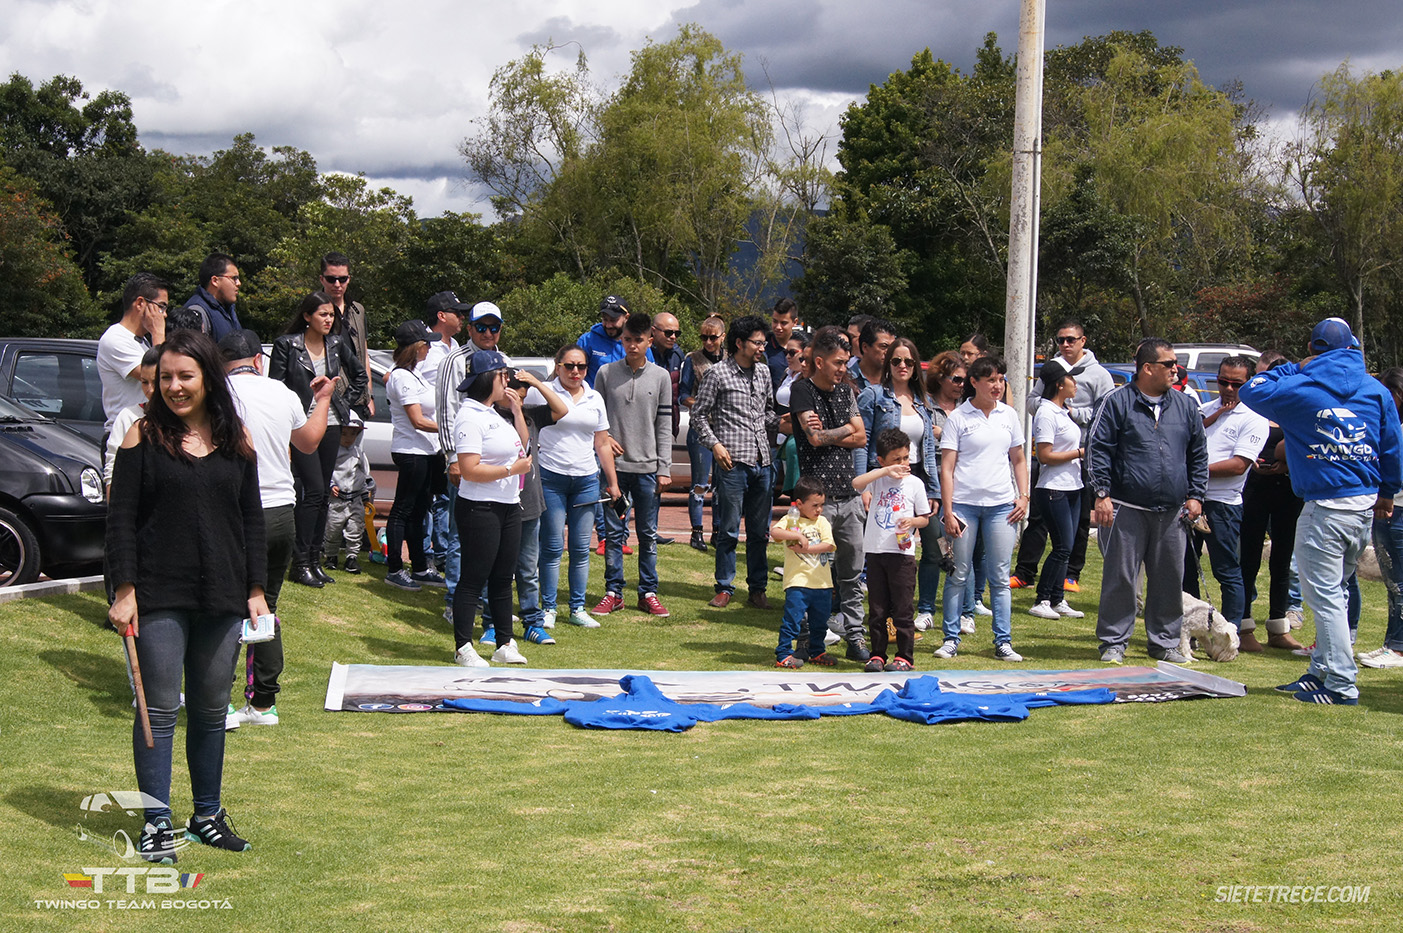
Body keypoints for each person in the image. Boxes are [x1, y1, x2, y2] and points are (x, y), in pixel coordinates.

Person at [106, 329, 266, 860]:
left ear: (208, 379)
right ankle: (156, 821)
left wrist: (257, 590)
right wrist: (124, 589)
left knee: (211, 707)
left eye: (185, 376)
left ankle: (207, 815)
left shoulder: (236, 439)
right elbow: (121, 520)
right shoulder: (140, 436)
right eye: (166, 378)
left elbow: (251, 522)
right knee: (158, 708)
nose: (174, 387)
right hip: (157, 593)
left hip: (222, 593)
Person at [1240, 318, 1403, 705]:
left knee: (1325, 596)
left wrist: (1292, 367)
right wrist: (1388, 491)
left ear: (1313, 349)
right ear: (1352, 347)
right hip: (1363, 506)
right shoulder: (1374, 388)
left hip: (1325, 506)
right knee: (1339, 591)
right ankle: (1321, 672)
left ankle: (1341, 683)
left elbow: (1251, 389)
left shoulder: (1300, 384)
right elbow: (1393, 442)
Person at [222, 328, 335, 728]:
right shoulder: (282, 393)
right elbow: (307, 442)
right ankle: (263, 702)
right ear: (258, 360)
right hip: (280, 511)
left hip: (233, 512)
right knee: (265, 605)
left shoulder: (216, 394)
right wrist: (322, 400)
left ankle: (220, 701)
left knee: (223, 607)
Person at [1087, 338, 1208, 666]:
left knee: (1169, 579)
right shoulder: (1116, 402)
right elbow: (1098, 449)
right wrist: (1102, 494)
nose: (1175, 369)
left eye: (1175, 364)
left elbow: (1198, 453)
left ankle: (1165, 643)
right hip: (1126, 507)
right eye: (1169, 364)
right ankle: (1113, 642)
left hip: (1172, 511)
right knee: (1121, 579)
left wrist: (1197, 494)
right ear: (1147, 368)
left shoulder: (1184, 405)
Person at [934, 355, 1030, 663]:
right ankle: (951, 639)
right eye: (990, 380)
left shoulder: (1009, 416)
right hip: (964, 506)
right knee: (958, 573)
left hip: (1002, 506)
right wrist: (948, 512)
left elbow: (1019, 459)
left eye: (1000, 379)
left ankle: (1003, 642)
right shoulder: (958, 418)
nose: (997, 385)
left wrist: (1024, 496)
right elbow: (946, 468)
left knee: (1000, 577)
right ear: (973, 383)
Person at [269, 292, 368, 587]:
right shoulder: (287, 345)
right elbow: (276, 387)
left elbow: (360, 376)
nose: (329, 320)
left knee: (323, 491)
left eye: (331, 315)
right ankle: (299, 563)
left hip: (332, 421)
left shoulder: (336, 344)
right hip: (299, 424)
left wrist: (342, 402)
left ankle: (314, 559)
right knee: (311, 490)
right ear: (307, 316)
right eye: (323, 314)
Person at [1011, 319, 1114, 592]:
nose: (1065, 344)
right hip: (1053, 450)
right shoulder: (1052, 370)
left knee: (1079, 520)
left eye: (1070, 339)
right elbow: (1033, 401)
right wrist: (1054, 407)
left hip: (1083, 454)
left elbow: (1107, 413)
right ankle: (1025, 572)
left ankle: (1070, 575)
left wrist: (1072, 413)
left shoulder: (1098, 374)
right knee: (1039, 517)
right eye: (1060, 340)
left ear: (1083, 341)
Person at [450, 350, 538, 666]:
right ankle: (463, 647)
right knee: (474, 577)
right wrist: (510, 471)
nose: (508, 381)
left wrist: (516, 410)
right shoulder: (470, 416)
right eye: (504, 375)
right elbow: (469, 469)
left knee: (503, 577)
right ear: (491, 378)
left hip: (508, 504)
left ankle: (504, 643)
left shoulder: (493, 414)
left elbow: (523, 446)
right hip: (480, 507)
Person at [789, 326, 869, 658]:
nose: (843, 369)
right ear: (819, 361)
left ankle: (855, 638)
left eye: (846, 362)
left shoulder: (846, 391)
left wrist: (834, 432)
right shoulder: (801, 391)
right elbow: (813, 438)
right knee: (812, 575)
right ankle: (810, 640)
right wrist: (845, 430)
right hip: (815, 502)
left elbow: (862, 437)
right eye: (838, 362)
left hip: (848, 497)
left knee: (851, 576)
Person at [692, 315, 781, 610]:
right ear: (740, 343)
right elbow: (698, 415)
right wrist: (715, 445)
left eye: (763, 342)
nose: (762, 347)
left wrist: (785, 422)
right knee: (728, 530)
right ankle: (725, 587)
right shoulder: (718, 374)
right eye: (757, 342)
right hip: (732, 463)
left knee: (759, 532)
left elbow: (767, 413)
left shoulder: (764, 373)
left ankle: (757, 589)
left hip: (762, 462)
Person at [531, 345, 621, 628]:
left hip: (586, 479)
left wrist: (613, 483)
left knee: (581, 548)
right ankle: (548, 608)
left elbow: (602, 442)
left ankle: (577, 608)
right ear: (558, 366)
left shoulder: (594, 397)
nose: (575, 372)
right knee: (553, 545)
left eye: (581, 367)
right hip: (550, 477)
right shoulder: (542, 391)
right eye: (569, 366)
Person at [1181, 356, 1268, 647]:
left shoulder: (1254, 419)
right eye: (1223, 382)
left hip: (1223, 505)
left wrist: (1195, 470)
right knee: (1185, 569)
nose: (1228, 388)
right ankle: (1190, 632)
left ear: (1250, 384)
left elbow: (1238, 465)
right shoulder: (1203, 411)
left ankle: (1230, 633)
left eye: (1236, 384)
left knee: (1227, 570)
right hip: (1191, 499)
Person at [593, 313, 674, 618]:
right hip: (614, 470)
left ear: (649, 341)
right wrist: (603, 440)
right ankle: (613, 592)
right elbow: (595, 419)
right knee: (613, 534)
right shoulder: (605, 373)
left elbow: (664, 425)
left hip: (649, 470)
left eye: (638, 340)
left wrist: (664, 467)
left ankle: (648, 592)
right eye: (627, 339)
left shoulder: (661, 377)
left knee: (648, 534)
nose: (632, 345)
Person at [437, 300, 509, 618]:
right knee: (459, 531)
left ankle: (488, 600)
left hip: (495, 463)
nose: (488, 333)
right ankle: (456, 598)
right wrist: (452, 457)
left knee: (493, 533)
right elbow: (446, 410)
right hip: (466, 457)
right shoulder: (455, 360)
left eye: (494, 327)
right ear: (469, 329)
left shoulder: (503, 361)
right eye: (481, 327)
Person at [854, 428, 931, 672]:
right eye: (896, 459)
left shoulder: (915, 483)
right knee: (877, 609)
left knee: (903, 608)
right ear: (882, 461)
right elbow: (856, 484)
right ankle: (877, 655)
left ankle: (905, 656)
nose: (902, 464)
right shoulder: (877, 479)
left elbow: (925, 518)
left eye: (906, 458)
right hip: (876, 552)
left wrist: (912, 522)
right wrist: (885, 472)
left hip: (903, 554)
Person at [383, 319, 446, 592]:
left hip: (426, 450)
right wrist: (449, 428)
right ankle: (395, 568)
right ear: (416, 347)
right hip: (411, 451)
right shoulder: (402, 377)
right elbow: (417, 420)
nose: (429, 349)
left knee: (420, 510)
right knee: (403, 510)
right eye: (426, 345)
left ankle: (419, 567)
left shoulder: (414, 373)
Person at [1025, 358, 1086, 621]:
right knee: (1062, 546)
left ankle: (1057, 598)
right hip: (1053, 488)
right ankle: (1043, 599)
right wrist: (1080, 452)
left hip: (1072, 486)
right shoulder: (1046, 413)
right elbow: (1045, 454)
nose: (1076, 384)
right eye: (1072, 379)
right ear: (1059, 384)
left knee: (1068, 546)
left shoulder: (1064, 411)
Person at [420, 291, 468, 574]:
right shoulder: (426, 346)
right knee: (434, 501)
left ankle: (441, 553)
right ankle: (429, 554)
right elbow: (396, 375)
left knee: (445, 499)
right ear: (441, 315)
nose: (461, 318)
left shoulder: (454, 346)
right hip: (429, 435)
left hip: (449, 434)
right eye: (457, 313)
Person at [919, 351, 966, 632]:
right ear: (940, 377)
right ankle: (925, 608)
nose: (962, 384)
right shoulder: (925, 406)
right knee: (935, 549)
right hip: (933, 487)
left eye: (964, 379)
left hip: (963, 488)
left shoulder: (968, 408)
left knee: (962, 552)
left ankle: (963, 610)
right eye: (957, 379)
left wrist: (944, 432)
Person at [769, 475, 837, 669]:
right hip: (798, 583)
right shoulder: (790, 520)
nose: (819, 510)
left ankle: (817, 651)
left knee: (820, 622)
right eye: (815, 505)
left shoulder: (822, 521)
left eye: (821, 505)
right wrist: (797, 534)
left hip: (822, 583)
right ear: (799, 504)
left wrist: (806, 549)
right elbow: (775, 533)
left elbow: (828, 545)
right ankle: (783, 653)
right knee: (792, 620)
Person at [1362, 367, 1403, 669]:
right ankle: (1392, 643)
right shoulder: (1391, 424)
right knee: (1393, 582)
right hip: (1386, 508)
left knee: (1400, 581)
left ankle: (1398, 648)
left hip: (1398, 510)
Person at [99, 273, 168, 436]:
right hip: (124, 434)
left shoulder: (141, 340)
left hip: (143, 430)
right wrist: (158, 333)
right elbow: (160, 375)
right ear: (140, 303)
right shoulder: (115, 338)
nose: (164, 314)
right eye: (161, 307)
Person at [679, 314, 726, 551]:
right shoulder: (693, 360)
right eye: (704, 338)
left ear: (723, 337)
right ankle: (696, 532)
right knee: (700, 483)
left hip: (725, 429)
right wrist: (701, 405)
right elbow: (683, 393)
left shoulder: (731, 360)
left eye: (713, 338)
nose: (708, 342)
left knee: (721, 482)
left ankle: (717, 530)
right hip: (700, 428)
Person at [319, 252, 373, 416]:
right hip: (329, 400)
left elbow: (364, 354)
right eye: (331, 279)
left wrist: (369, 395)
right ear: (322, 279)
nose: (337, 284)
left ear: (349, 279)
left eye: (342, 279)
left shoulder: (358, 310)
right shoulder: (313, 310)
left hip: (358, 399)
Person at [104, 348, 159, 492]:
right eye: (144, 382)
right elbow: (112, 472)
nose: (150, 389)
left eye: (156, 381)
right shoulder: (129, 416)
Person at [325, 413, 373, 574]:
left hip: (355, 498)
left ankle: (351, 558)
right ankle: (331, 556)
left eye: (353, 434)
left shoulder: (358, 453)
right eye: (344, 433)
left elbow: (364, 475)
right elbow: (326, 471)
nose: (348, 438)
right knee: (333, 529)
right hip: (337, 499)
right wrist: (330, 485)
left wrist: (366, 494)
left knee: (355, 529)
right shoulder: (332, 452)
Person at [183, 253, 243, 341]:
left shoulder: (228, 309)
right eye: (234, 278)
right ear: (215, 281)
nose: (238, 283)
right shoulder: (197, 312)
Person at [849, 318, 896, 393]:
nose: (889, 352)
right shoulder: (845, 377)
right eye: (884, 346)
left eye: (892, 347)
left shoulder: (897, 379)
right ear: (865, 347)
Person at [765, 298, 800, 388]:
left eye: (783, 323)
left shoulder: (803, 347)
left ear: (795, 322)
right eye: (775, 321)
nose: (778, 327)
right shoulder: (763, 347)